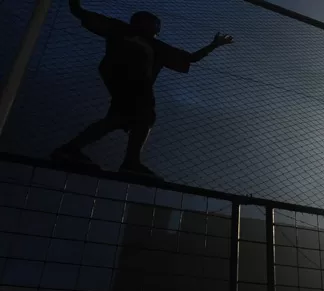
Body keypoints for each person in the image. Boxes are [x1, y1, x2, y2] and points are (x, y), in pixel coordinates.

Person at [51, 0, 234, 178]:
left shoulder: (157, 47)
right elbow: (80, 12)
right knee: (141, 115)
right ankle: (129, 162)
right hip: (127, 79)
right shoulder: (122, 30)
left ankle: (73, 149)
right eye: (153, 23)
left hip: (132, 84)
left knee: (122, 118)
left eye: (156, 25)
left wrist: (213, 45)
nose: (156, 28)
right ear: (142, 22)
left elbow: (191, 58)